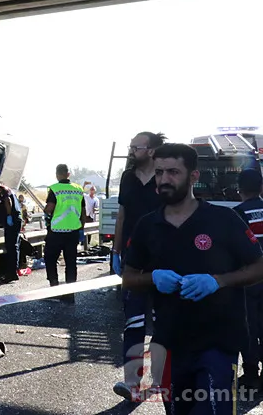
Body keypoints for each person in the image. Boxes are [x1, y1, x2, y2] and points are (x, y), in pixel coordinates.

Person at [123, 143, 263, 415]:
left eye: (173, 172)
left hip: (219, 342)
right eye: (160, 172)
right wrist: (153, 277)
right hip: (169, 344)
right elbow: (128, 278)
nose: (164, 179)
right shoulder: (148, 226)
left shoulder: (223, 219)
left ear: (194, 177)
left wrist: (217, 281)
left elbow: (259, 266)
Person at [112, 131, 166, 400]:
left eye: (137, 146)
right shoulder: (127, 178)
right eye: (131, 146)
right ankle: (132, 383)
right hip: (134, 260)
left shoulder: (165, 175)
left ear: (153, 150)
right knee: (133, 321)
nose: (132, 150)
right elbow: (121, 215)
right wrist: (116, 250)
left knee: (162, 322)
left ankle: (160, 379)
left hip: (164, 259)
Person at [234, 168, 263, 388]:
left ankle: (252, 373)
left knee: (249, 327)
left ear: (239, 189)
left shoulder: (237, 213)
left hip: (249, 279)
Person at [44, 164, 86, 303]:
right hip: (73, 232)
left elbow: (49, 208)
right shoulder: (78, 189)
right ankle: (69, 294)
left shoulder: (55, 189)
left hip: (56, 232)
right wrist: (81, 228)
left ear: (57, 174)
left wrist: (46, 212)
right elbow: (83, 211)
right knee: (71, 263)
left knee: (50, 259)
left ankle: (54, 289)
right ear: (68, 174)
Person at [0, 176, 21, 283]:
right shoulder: (5, 189)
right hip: (14, 220)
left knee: (11, 246)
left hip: (12, 220)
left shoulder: (0, 190)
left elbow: (7, 201)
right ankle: (12, 272)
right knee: (13, 246)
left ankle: (11, 273)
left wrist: (9, 216)